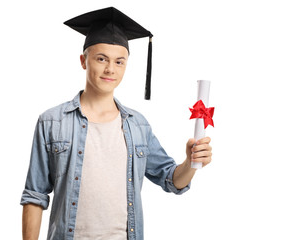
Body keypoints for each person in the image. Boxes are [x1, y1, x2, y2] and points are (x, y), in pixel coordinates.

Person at [20, 7, 212, 240]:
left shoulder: (138, 126)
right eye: (101, 59)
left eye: (119, 62)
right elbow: (34, 196)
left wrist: (191, 163)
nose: (111, 69)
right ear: (84, 61)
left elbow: (171, 179)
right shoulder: (51, 122)